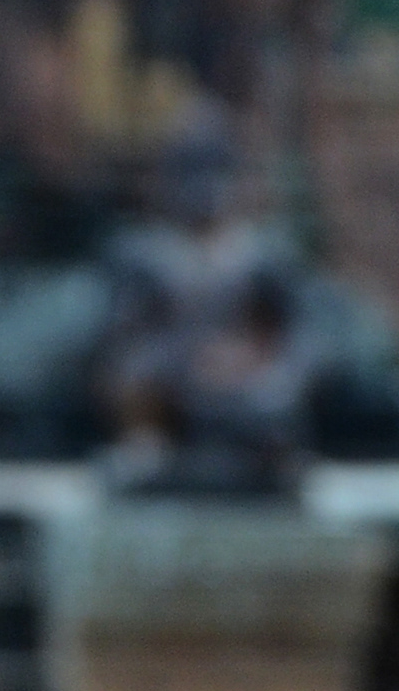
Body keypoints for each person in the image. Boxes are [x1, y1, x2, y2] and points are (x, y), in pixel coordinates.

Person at [95, 97, 349, 493]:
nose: (204, 188)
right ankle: (149, 449)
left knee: (273, 403)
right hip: (171, 391)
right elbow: (121, 344)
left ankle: (269, 453)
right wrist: (186, 360)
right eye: (189, 170)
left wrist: (254, 364)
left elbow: (304, 340)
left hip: (250, 396)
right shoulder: (143, 255)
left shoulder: (264, 255)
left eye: (215, 170)